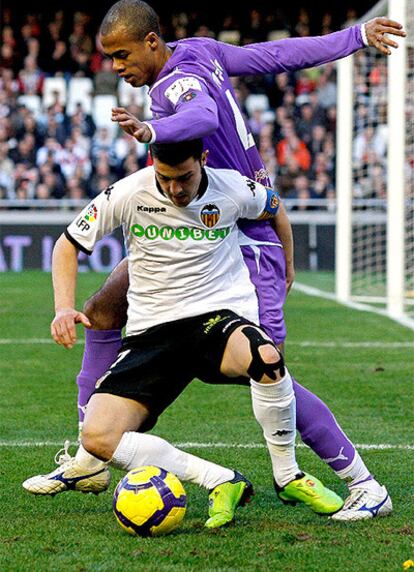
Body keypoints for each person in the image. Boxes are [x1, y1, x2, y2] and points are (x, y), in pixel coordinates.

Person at [55, 0, 404, 521]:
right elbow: (275, 54)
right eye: (110, 57)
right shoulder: (201, 51)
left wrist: (153, 131)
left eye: (123, 55)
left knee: (266, 373)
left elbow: (201, 114)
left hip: (241, 236)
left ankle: (361, 482)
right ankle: (89, 457)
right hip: (194, 228)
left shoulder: (175, 86)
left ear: (152, 43)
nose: (117, 67)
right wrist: (352, 37)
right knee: (104, 307)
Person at [23, 140, 344, 526]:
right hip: (151, 334)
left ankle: (288, 474)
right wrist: (63, 306)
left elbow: (275, 208)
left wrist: (287, 265)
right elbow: (67, 244)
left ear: (204, 160)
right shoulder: (128, 192)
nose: (176, 189)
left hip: (215, 321)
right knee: (97, 437)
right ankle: (221, 479)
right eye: (166, 178)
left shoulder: (231, 187)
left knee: (266, 357)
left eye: (186, 178)